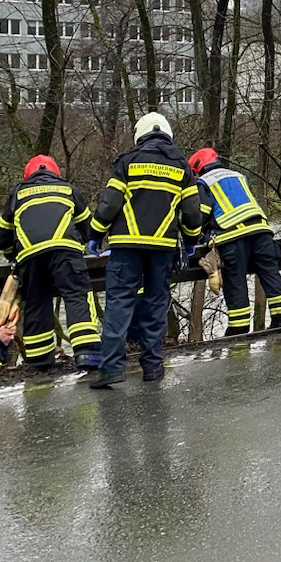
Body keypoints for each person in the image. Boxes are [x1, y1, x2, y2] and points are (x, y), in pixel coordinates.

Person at [88, 112, 203, 388]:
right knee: (155, 304)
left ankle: (112, 369)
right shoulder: (182, 167)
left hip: (127, 247)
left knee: (119, 304)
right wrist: (189, 241)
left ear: (139, 134)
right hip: (162, 248)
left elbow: (109, 205)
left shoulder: (128, 162)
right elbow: (193, 213)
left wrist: (95, 234)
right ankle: (152, 366)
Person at [0, 155, 101, 370]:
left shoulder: (18, 193)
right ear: (55, 173)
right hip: (65, 251)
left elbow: (2, 236)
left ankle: (39, 362)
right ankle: (87, 353)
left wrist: (12, 255)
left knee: (36, 302)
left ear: (28, 175)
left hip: (29, 255)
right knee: (77, 295)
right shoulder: (68, 189)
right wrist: (78, 243)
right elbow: (88, 227)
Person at [188, 147, 281, 336]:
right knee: (270, 273)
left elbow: (201, 214)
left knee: (235, 280)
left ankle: (238, 328)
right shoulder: (238, 175)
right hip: (261, 231)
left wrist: (196, 234)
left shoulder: (204, 182)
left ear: (198, 169)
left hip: (231, 235)